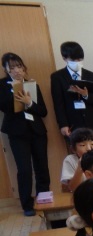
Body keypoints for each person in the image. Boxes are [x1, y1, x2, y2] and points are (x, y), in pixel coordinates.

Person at [0, 52, 49, 216]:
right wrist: (15, 91)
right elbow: (4, 107)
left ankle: (44, 199)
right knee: (24, 169)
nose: (17, 70)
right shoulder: (2, 85)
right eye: (12, 67)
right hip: (17, 133)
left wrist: (29, 103)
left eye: (19, 66)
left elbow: (43, 111)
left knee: (42, 167)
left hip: (37, 131)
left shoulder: (32, 84)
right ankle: (27, 205)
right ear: (6, 69)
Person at [50, 41, 93, 140]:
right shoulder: (57, 77)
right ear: (64, 58)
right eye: (73, 59)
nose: (77, 62)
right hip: (72, 124)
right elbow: (58, 104)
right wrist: (63, 124)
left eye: (79, 59)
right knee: (77, 148)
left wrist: (86, 95)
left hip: (92, 123)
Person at [60, 128, 93, 192]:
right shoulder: (70, 160)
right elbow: (72, 188)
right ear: (73, 149)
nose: (89, 149)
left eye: (92, 144)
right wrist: (80, 168)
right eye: (83, 145)